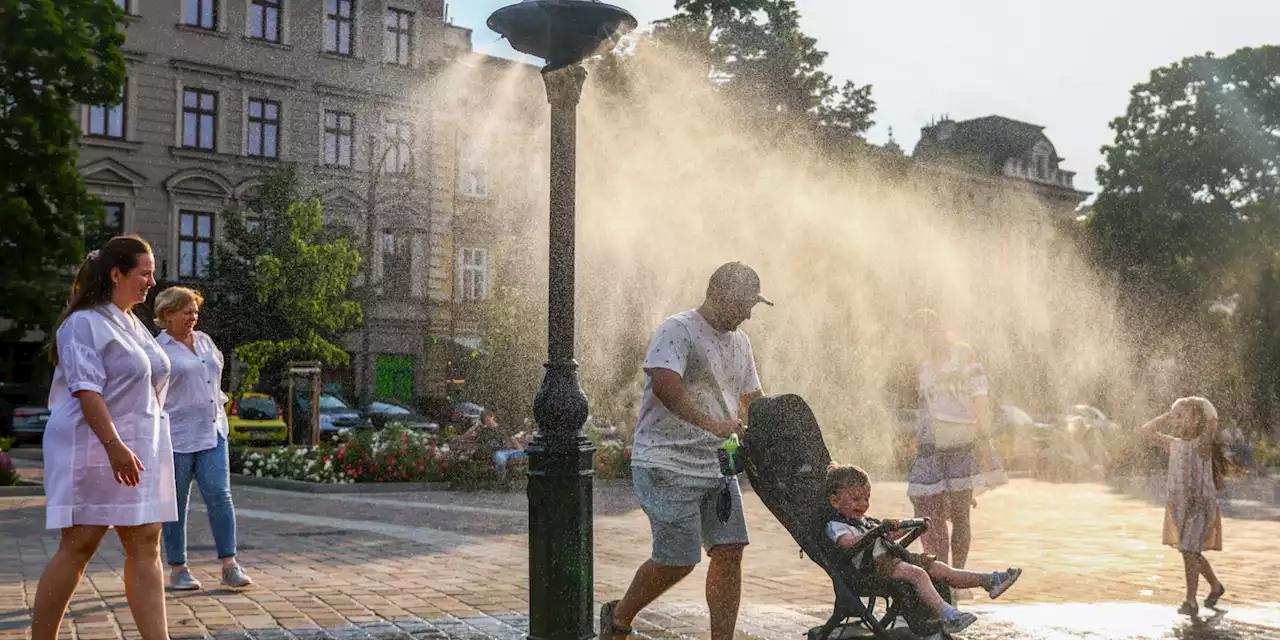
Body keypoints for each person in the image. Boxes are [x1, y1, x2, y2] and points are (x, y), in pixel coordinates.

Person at [600, 262, 771, 640]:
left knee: (730, 550)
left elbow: (749, 398)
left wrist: (774, 427)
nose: (747, 313)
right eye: (743, 303)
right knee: (677, 561)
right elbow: (665, 384)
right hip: (666, 460)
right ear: (716, 292)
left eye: (752, 306)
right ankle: (619, 617)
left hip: (716, 464)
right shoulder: (677, 329)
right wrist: (711, 424)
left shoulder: (741, 342)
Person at [31, 236, 176, 640]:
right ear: (117, 274)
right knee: (80, 544)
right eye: (144, 273)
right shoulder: (84, 323)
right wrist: (115, 448)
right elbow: (86, 390)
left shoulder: (132, 323)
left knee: (147, 541)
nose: (152, 282)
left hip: (139, 446)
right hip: (93, 446)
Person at [824, 463, 1021, 635]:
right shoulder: (837, 525)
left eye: (866, 498)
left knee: (940, 569)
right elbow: (848, 543)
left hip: (891, 560)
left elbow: (888, 537)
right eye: (857, 499)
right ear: (834, 501)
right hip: (870, 569)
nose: (864, 504)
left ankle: (989, 581)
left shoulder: (864, 521)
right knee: (917, 574)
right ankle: (947, 615)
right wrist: (876, 531)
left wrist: (909, 527)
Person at [154, 286, 252, 590]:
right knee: (175, 504)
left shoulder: (206, 341)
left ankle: (229, 565)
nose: (192, 317)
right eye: (186, 311)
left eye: (195, 311)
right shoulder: (158, 350)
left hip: (212, 431)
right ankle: (178, 569)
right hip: (176, 436)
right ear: (167, 315)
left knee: (220, 496)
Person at [903, 309, 1006, 573]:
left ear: (935, 332)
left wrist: (983, 438)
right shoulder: (924, 368)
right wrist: (916, 437)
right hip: (930, 447)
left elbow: (980, 398)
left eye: (923, 335)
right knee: (927, 510)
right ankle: (940, 573)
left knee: (960, 514)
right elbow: (926, 406)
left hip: (961, 444)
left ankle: (957, 576)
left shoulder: (964, 359)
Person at [1142, 396, 1226, 616]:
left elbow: (1213, 420)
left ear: (1197, 420)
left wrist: (1200, 403)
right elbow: (1147, 431)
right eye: (1175, 417)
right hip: (1180, 506)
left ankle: (1190, 601)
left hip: (1199, 506)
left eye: (1182, 416)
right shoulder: (1174, 444)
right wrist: (1170, 414)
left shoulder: (1202, 445)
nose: (1176, 421)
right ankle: (1216, 586)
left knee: (1189, 550)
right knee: (1190, 552)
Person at [452, 409, 526, 476]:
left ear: (492, 417)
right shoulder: (484, 431)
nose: (488, 422)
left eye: (488, 418)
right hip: (498, 453)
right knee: (500, 460)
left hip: (509, 452)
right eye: (485, 421)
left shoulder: (503, 427)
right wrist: (476, 425)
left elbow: (513, 439)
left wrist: (521, 450)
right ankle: (502, 482)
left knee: (530, 454)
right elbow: (465, 436)